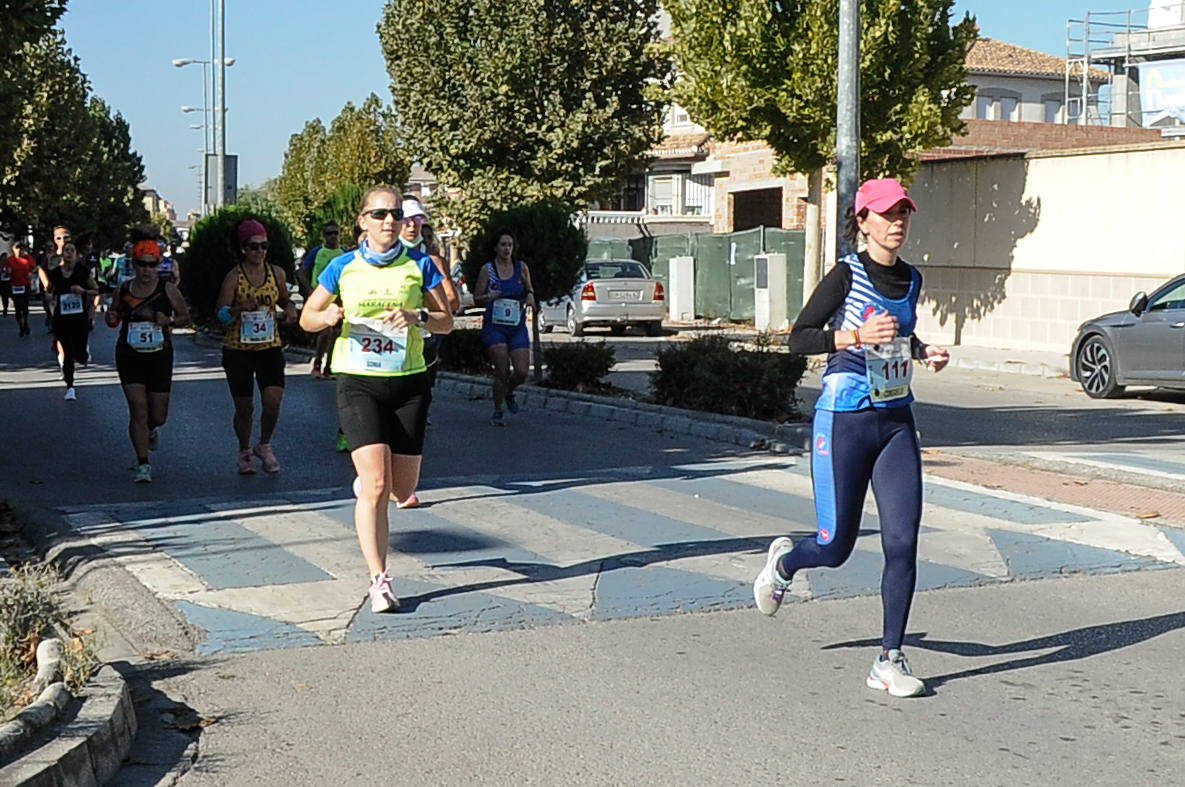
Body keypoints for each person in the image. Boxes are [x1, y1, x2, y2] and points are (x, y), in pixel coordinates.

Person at [752, 178, 950, 699]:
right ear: (862, 220)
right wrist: (854, 336)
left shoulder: (911, 279)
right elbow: (798, 338)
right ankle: (786, 563)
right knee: (835, 547)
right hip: (844, 418)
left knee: (902, 541)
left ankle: (889, 657)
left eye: (904, 213)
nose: (898, 223)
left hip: (896, 420)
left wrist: (924, 351)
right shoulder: (846, 274)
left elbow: (901, 334)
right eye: (887, 214)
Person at [299, 185, 453, 613]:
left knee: (402, 489)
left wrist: (417, 315)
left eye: (396, 214)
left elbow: (446, 322)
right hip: (359, 383)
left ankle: (371, 486)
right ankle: (379, 581)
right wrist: (326, 316)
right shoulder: (343, 268)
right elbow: (306, 317)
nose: (390, 221)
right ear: (362, 221)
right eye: (381, 214)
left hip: (408, 383)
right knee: (377, 485)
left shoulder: (419, 264)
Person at [214, 218, 299, 474]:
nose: (260, 252)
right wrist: (239, 308)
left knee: (273, 400)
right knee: (245, 407)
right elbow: (220, 315)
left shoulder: (276, 273)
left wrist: (292, 309)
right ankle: (244, 451)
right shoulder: (234, 277)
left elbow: (284, 299)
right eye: (254, 247)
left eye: (264, 246)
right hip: (238, 349)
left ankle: (264, 444)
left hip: (269, 346)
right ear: (243, 248)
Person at [105, 240, 190, 482]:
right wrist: (111, 318)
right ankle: (143, 464)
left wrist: (169, 321)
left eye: (152, 265)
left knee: (158, 416)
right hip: (130, 354)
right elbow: (114, 317)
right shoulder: (122, 290)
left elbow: (185, 317)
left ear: (158, 265)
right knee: (138, 410)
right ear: (134, 264)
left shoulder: (168, 290)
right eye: (142, 264)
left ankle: (152, 430)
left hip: (159, 355)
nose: (146, 270)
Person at [472, 230, 535, 426]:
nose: (507, 248)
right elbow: (476, 298)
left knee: (522, 371)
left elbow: (529, 288)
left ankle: (507, 392)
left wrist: (531, 295)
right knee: (501, 369)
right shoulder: (488, 270)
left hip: (516, 326)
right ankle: (498, 409)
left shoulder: (521, 267)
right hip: (495, 326)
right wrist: (488, 297)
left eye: (510, 245)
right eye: (503, 245)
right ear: (495, 247)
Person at [38, 242, 98, 400]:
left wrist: (83, 290)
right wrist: (49, 296)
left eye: (72, 250)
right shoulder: (56, 273)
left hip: (79, 318)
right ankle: (70, 386)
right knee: (67, 351)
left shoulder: (82, 271)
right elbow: (49, 291)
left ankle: (84, 354)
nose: (69, 253)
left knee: (79, 354)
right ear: (62, 254)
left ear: (77, 254)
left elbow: (96, 289)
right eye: (66, 251)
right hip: (62, 318)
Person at [302, 222, 345, 380]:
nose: (333, 236)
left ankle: (329, 366)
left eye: (335, 233)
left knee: (336, 333)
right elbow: (302, 271)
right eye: (329, 234)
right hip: (322, 296)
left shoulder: (343, 252)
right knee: (325, 331)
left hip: (340, 297)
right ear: (324, 236)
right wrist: (310, 290)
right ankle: (318, 363)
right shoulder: (317, 252)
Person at [4, 242, 37, 337]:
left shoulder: (28, 258)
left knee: (25, 306)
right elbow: (6, 272)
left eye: (20, 249)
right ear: (13, 249)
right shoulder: (10, 260)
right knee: (18, 308)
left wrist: (31, 273)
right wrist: (8, 272)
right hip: (14, 286)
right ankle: (21, 327)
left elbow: (34, 268)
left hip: (25, 285)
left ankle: (26, 323)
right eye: (17, 249)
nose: (19, 251)